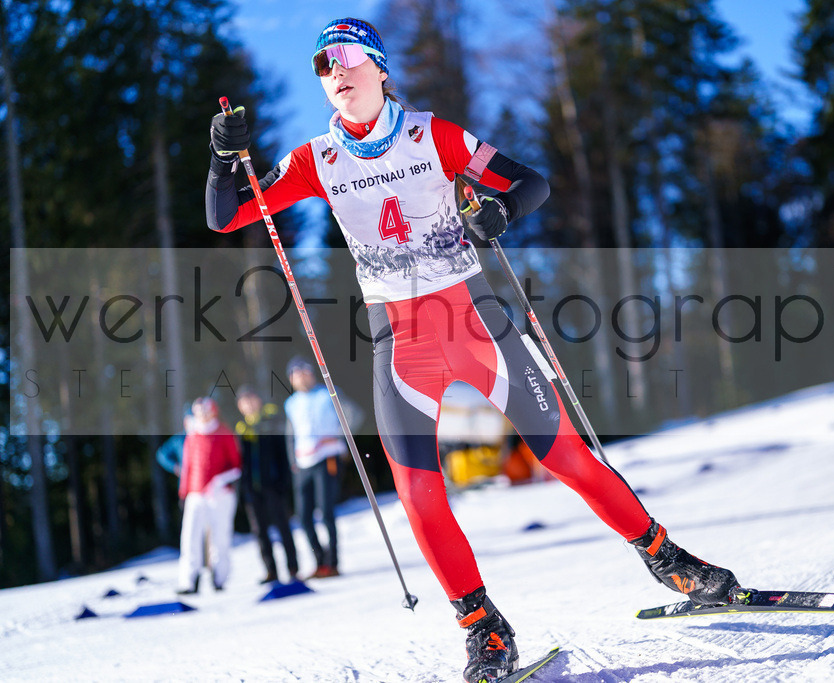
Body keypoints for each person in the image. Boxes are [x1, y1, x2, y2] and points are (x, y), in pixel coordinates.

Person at [205, 18, 739, 682]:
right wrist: (223, 158)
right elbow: (226, 215)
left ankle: (672, 561)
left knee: (567, 454)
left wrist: (499, 213)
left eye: (343, 57)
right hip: (400, 344)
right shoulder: (318, 159)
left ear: (377, 66)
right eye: (320, 65)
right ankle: (483, 628)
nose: (332, 71)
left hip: (476, 323)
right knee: (420, 495)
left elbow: (529, 183)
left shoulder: (433, 134)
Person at [282, 356, 359, 579]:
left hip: (327, 458)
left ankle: (332, 563)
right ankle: (319, 562)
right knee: (303, 517)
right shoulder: (291, 403)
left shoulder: (328, 393)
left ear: (312, 374)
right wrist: (292, 462)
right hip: (303, 463)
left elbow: (353, 414)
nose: (301, 377)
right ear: (291, 379)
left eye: (304, 372)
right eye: (296, 374)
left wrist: (336, 436)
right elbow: (290, 434)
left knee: (326, 512)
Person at [235, 385, 300, 584]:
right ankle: (271, 570)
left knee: (282, 526)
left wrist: (282, 480)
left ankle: (292, 568)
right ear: (240, 406)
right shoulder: (241, 429)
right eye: (244, 402)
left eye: (251, 399)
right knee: (260, 531)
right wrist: (243, 487)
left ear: (258, 400)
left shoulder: (271, 422)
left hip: (273, 484)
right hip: (252, 489)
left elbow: (282, 452)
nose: (248, 404)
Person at [177, 397, 241, 594]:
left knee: (220, 537)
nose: (203, 415)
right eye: (199, 412)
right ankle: (189, 579)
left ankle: (219, 577)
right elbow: (188, 466)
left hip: (220, 495)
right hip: (196, 494)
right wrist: (184, 491)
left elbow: (236, 466)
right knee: (190, 537)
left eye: (206, 411)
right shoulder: (192, 435)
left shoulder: (223, 433)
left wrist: (219, 482)